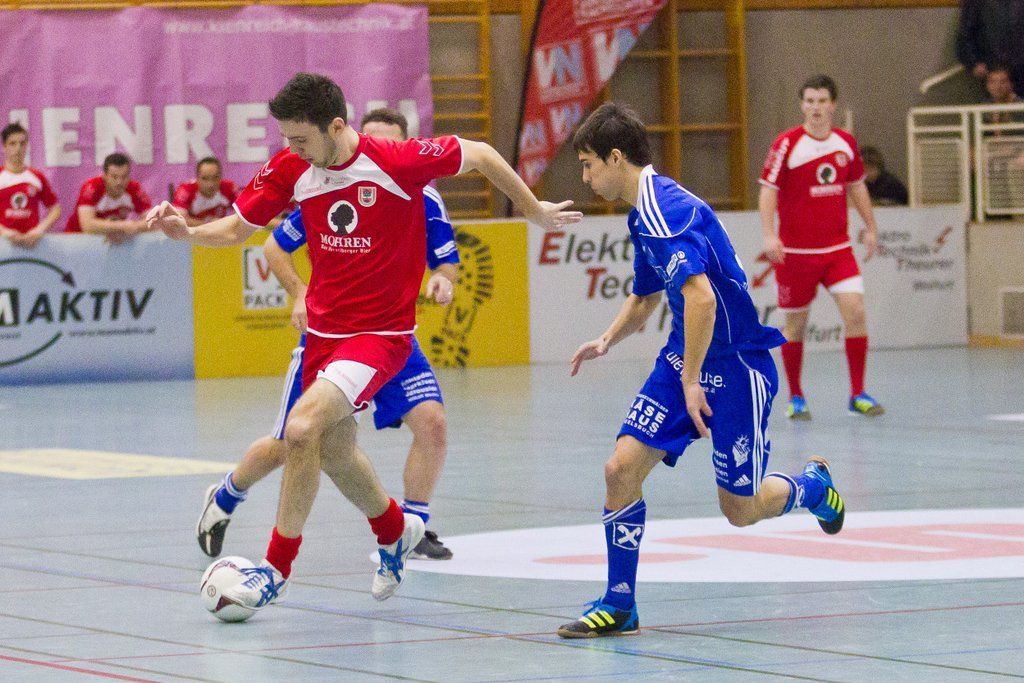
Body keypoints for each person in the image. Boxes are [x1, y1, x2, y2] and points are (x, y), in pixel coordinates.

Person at [148, 72, 580, 612]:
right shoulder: (293, 166)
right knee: (334, 453)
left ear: (335, 126)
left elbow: (482, 154)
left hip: (380, 335)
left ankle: (275, 571)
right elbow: (238, 228)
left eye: (300, 139)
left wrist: (533, 209)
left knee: (300, 430)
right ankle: (395, 529)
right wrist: (188, 231)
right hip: (323, 337)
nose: (292, 149)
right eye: (286, 139)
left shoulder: (396, 161)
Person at [556, 103, 846, 639]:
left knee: (741, 509)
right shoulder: (642, 213)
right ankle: (620, 604)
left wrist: (692, 381)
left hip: (736, 367)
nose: (586, 177)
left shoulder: (664, 210)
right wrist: (607, 339)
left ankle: (812, 486)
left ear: (616, 158)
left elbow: (703, 299)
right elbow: (646, 296)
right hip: (683, 356)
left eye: (588, 164)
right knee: (620, 470)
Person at [196, 108, 460, 563]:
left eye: (387, 141)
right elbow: (274, 245)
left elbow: (445, 259)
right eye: (369, 138)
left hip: (390, 335)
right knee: (295, 441)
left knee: (432, 423)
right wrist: (300, 293)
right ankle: (226, 495)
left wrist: (443, 280)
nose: (373, 149)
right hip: (334, 336)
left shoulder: (423, 195)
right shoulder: (331, 183)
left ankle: (413, 526)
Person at [759, 75, 884, 420]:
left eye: (822, 101)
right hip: (796, 255)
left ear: (833, 105)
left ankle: (857, 393)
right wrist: (769, 235)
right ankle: (796, 396)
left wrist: (871, 227)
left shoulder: (845, 143)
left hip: (837, 251)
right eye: (809, 101)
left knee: (855, 312)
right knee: (795, 327)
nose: (815, 107)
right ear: (802, 105)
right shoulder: (786, 144)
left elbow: (857, 187)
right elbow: (768, 190)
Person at [67, 152, 153, 244]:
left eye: (124, 177)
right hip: (78, 239)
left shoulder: (134, 189)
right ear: (105, 176)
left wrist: (134, 226)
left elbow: (154, 221)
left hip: (110, 241)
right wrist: (122, 226)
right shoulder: (92, 187)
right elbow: (87, 226)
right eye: (114, 177)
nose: (119, 182)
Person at [0, 123, 60, 249]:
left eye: (22, 143)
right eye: (12, 143)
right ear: (4, 147)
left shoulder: (36, 177)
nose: (18, 148)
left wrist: (39, 230)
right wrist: (3, 231)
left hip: (31, 246)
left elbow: (55, 209)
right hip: (3, 245)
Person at [957, 0, 1024, 95]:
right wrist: (973, 63)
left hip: (1020, 66)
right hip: (991, 68)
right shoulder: (974, 2)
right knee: (996, 102)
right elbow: (964, 35)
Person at [172, 157, 240, 226]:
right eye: (205, 178)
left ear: (220, 177)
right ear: (197, 178)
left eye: (215, 177)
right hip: (193, 231)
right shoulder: (185, 190)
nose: (210, 184)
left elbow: (241, 218)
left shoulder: (230, 188)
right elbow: (179, 220)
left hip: (219, 230)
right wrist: (212, 225)